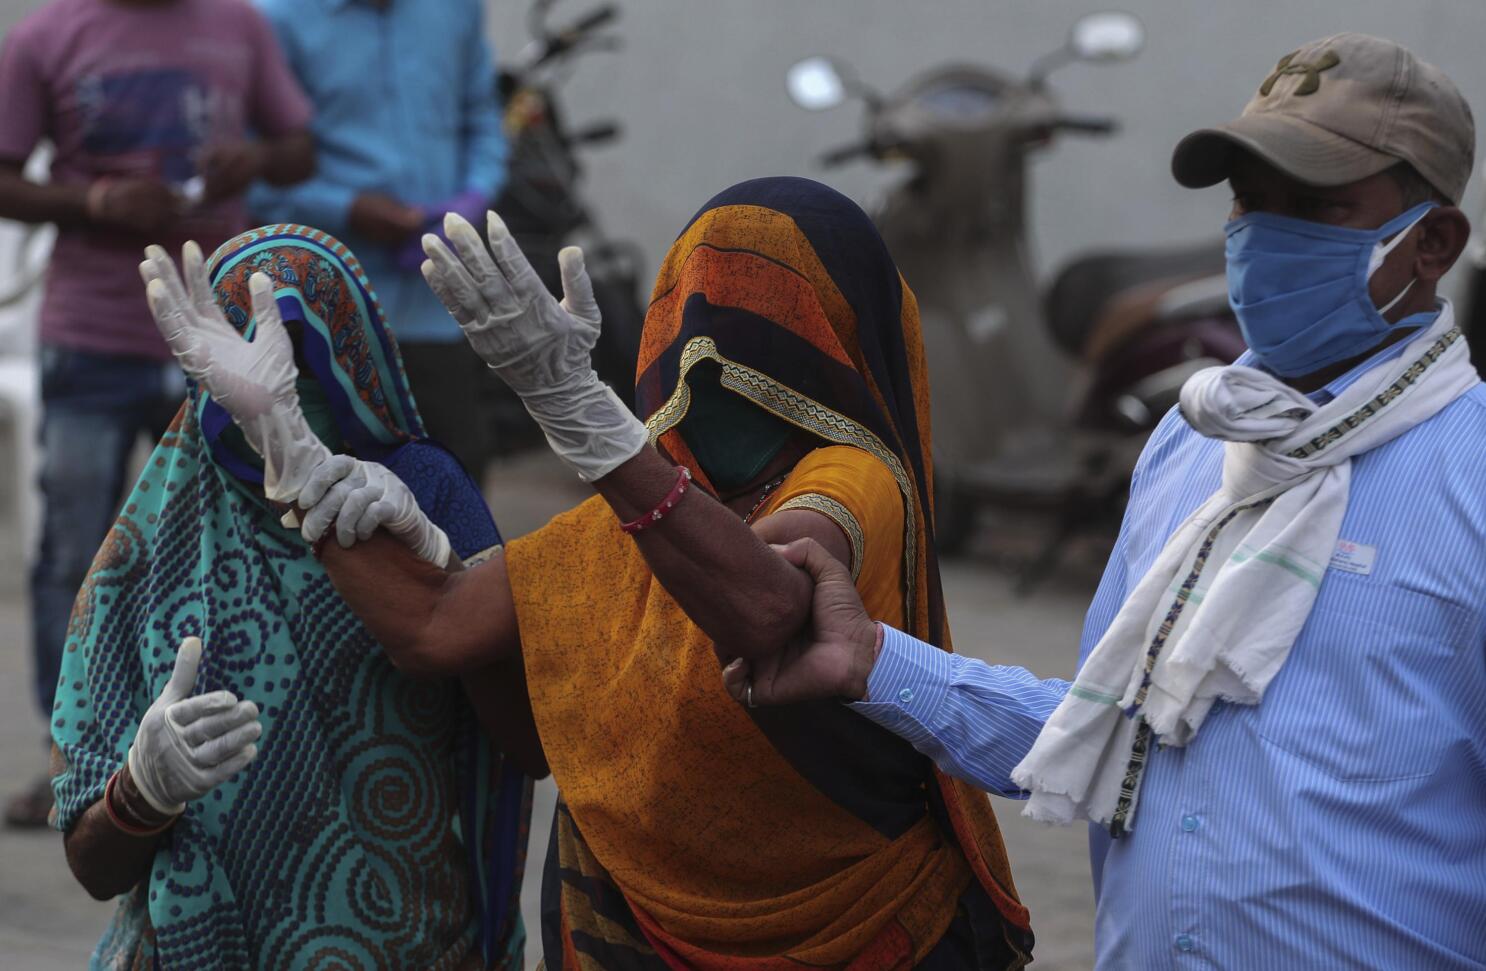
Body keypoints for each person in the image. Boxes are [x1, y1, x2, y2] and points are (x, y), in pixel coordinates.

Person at [724, 34, 1486, 971]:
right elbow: (1106, 727)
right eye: (1250, 200)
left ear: (1435, 243)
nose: (1265, 233)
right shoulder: (1194, 445)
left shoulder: (1468, 476)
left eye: (1317, 206)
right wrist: (874, 660)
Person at [142, 178, 1039, 967]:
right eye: (699, 314)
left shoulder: (855, 477)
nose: (714, 354)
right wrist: (288, 449)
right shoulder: (646, 505)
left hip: (862, 926)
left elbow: (771, 610)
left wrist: (580, 413)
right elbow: (437, 627)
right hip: (634, 929)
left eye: (756, 326)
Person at [55, 225, 531, 969]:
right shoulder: (150, 544)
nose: (280, 409)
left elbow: (527, 740)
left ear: (359, 368)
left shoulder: (423, 494)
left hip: (403, 941)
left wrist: (444, 573)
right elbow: (93, 863)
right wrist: (142, 788)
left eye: (309, 366)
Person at [0, 0, 315, 828]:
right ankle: (70, 756)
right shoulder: (45, 35)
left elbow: (298, 147)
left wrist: (248, 160)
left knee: (231, 548)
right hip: (92, 337)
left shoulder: (240, 25)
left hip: (220, 344)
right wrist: (98, 203)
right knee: (76, 548)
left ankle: (226, 752)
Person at [247, 0, 507, 477]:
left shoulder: (456, 10)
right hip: (324, 313)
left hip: (440, 307)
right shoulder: (274, 19)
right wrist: (346, 207)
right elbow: (255, 171)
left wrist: (473, 195)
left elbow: (482, 117)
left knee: (459, 486)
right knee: (336, 503)